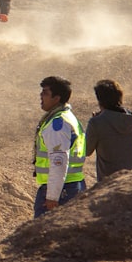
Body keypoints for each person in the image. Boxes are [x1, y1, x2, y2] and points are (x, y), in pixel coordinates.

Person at [33, 76, 87, 218]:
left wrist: (52, 196)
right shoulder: (69, 117)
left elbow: (59, 161)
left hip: (62, 190)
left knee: (42, 236)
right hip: (73, 185)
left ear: (56, 98)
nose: (41, 96)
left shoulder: (58, 123)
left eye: (45, 93)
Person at [85, 79, 132, 182]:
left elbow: (86, 150)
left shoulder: (97, 123)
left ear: (100, 100)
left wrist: (95, 123)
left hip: (108, 183)